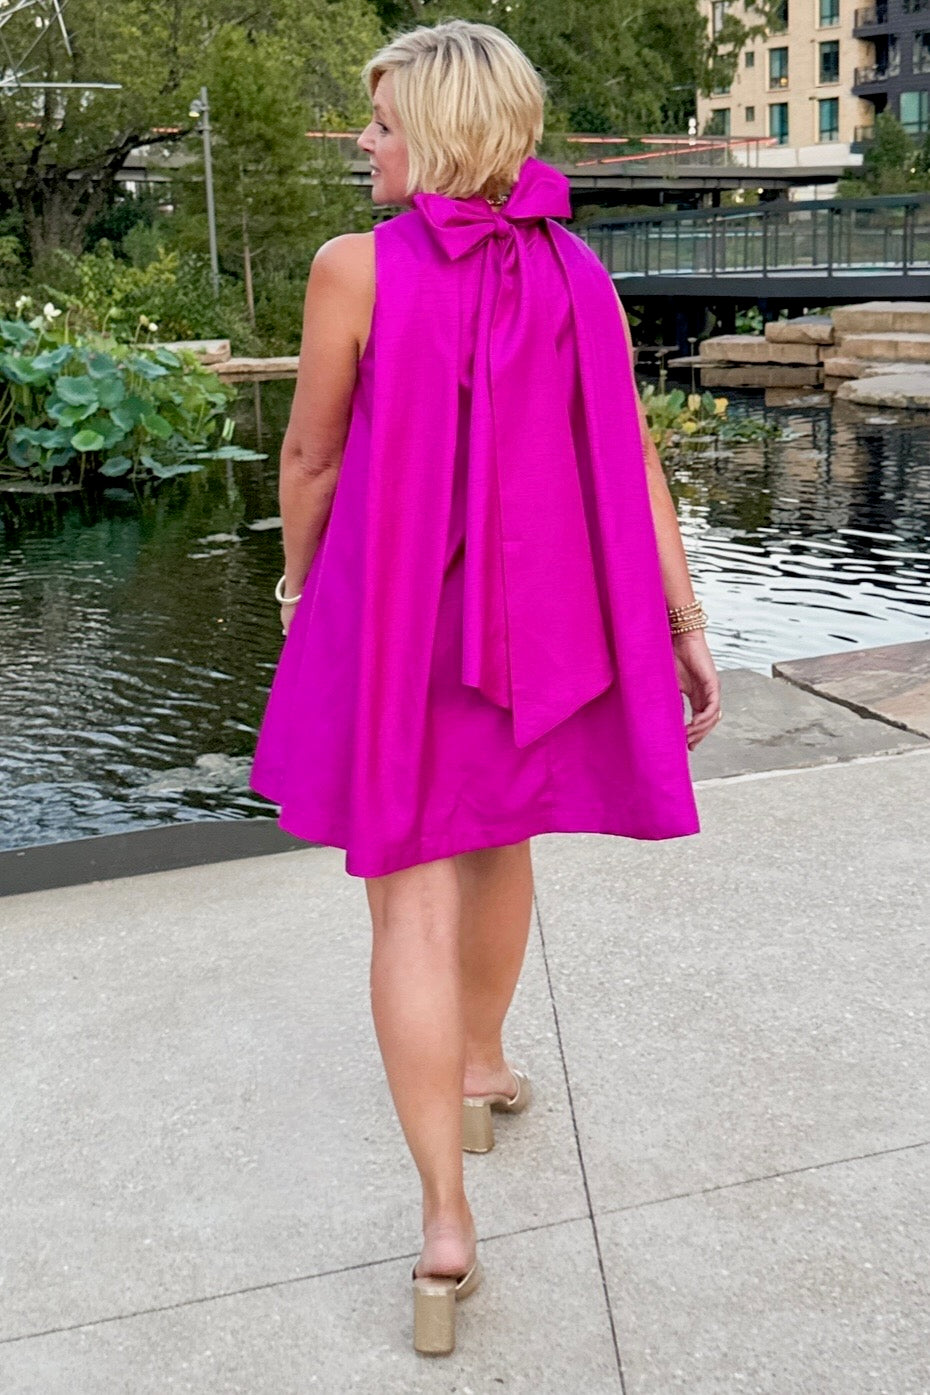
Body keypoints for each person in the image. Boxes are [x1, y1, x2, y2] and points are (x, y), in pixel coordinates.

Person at [249, 18, 721, 1357]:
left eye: (381, 119)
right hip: (541, 619)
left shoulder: (353, 270)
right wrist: (681, 618)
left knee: (407, 893)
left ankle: (444, 1229)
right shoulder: (580, 270)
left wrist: (298, 596)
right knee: (503, 835)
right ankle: (481, 1061)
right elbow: (630, 459)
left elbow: (307, 457)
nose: (362, 139)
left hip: (396, 610)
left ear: (440, 130)